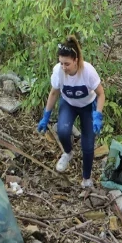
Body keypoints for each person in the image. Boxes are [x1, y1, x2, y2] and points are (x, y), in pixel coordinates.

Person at [36, 35, 106, 188]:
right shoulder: (58, 72)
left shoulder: (88, 72)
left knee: (88, 145)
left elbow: (101, 94)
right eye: (61, 63)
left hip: (88, 106)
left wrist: (98, 115)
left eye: (67, 64)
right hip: (69, 103)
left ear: (76, 60)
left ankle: (86, 179)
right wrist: (46, 116)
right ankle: (68, 153)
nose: (63, 67)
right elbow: (54, 93)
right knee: (62, 130)